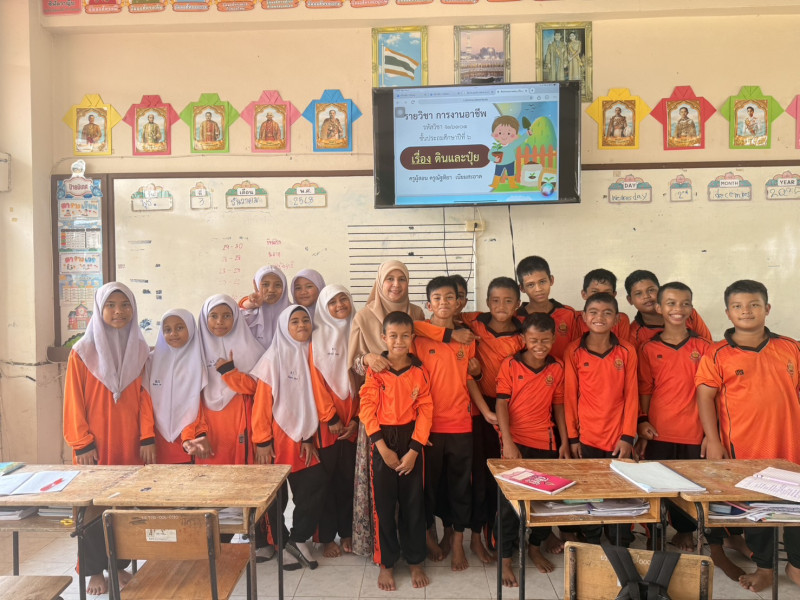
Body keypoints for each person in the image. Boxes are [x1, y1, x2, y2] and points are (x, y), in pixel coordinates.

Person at [696, 280, 800, 593]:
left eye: (754, 304)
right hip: (746, 449)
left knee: (795, 504)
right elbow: (705, 397)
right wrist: (713, 440)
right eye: (738, 306)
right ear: (728, 313)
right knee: (758, 511)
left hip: (790, 444)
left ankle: (795, 565)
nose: (746, 311)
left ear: (767, 308)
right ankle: (765, 568)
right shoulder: (717, 354)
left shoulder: (791, 347)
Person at [63, 282, 155, 596]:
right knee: (92, 507)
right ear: (99, 309)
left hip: (129, 442)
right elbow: (73, 401)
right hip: (95, 445)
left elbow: (145, 397)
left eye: (125, 305)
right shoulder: (82, 352)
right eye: (111, 305)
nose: (119, 312)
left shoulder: (140, 350)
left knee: (124, 506)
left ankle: (118, 564)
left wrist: (146, 437)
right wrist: (82, 442)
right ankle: (94, 570)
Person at [415, 276, 494, 572]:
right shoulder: (419, 337)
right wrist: (448, 335)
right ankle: (435, 536)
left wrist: (485, 412)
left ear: (459, 302)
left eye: (450, 297)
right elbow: (411, 326)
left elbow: (469, 380)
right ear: (428, 304)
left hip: (461, 425)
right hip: (429, 428)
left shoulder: (467, 338)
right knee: (430, 488)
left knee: (461, 487)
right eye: (437, 298)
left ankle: (459, 543)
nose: (444, 303)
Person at [348, 260, 426, 557]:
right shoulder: (364, 316)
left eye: (401, 278)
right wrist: (367, 358)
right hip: (377, 420)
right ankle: (383, 553)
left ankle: (415, 548)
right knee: (381, 494)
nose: (395, 285)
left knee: (411, 492)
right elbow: (353, 363)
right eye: (389, 279)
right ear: (379, 283)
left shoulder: (417, 314)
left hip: (411, 416)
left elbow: (424, 357)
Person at [359, 311, 433, 591]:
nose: (399, 341)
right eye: (393, 336)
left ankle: (415, 561)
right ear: (384, 338)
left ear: (412, 337)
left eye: (404, 336)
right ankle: (386, 563)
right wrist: (382, 448)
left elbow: (426, 409)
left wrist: (414, 450)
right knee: (384, 506)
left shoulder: (419, 371)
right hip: (382, 440)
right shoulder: (376, 370)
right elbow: (367, 408)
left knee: (414, 504)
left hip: (411, 438)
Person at [636, 283, 710, 552]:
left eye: (684, 303)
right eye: (671, 303)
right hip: (659, 430)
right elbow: (645, 388)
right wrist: (642, 421)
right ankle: (655, 532)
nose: (678, 308)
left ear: (691, 308)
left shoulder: (704, 347)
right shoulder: (647, 348)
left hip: (694, 430)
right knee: (656, 485)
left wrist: (710, 433)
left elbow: (711, 392)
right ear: (659, 308)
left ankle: (684, 531)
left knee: (689, 486)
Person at [251, 305, 325, 571]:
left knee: (314, 486)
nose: (302, 325)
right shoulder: (273, 358)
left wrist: (308, 435)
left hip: (305, 436)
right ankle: (281, 544)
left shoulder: (312, 352)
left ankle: (298, 538)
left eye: (306, 320)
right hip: (276, 439)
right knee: (276, 498)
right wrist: (262, 441)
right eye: (295, 321)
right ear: (284, 327)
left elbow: (312, 400)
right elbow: (261, 404)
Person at [496, 313, 568, 584]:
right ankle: (505, 561)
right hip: (515, 443)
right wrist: (508, 441)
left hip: (545, 443)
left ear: (553, 339)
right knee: (508, 506)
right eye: (534, 340)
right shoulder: (510, 365)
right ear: (524, 339)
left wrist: (564, 441)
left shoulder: (557, 368)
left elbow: (558, 406)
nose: (540, 345)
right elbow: (501, 404)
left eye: (545, 340)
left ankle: (535, 548)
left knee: (544, 502)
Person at [458, 276, 524, 562]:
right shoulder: (473, 323)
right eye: (495, 300)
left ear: (518, 304)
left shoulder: (524, 333)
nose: (501, 306)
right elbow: (440, 320)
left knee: (512, 476)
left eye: (508, 301)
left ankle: (508, 537)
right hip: (482, 410)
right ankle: (478, 536)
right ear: (486, 302)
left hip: (514, 412)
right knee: (482, 476)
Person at [564, 292, 638, 546]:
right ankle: (592, 541)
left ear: (616, 319)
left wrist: (627, 436)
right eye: (593, 312)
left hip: (619, 438)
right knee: (590, 490)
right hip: (587, 437)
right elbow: (570, 397)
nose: (600, 317)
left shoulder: (627, 350)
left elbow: (632, 396)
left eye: (607, 313)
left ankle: (620, 542)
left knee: (620, 492)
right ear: (584, 317)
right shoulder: (573, 351)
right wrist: (573, 438)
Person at [311, 285, 359, 557]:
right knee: (325, 483)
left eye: (344, 299)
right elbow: (316, 383)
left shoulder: (359, 333)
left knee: (348, 481)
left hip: (353, 424)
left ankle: (347, 532)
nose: (340, 305)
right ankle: (327, 537)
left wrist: (357, 419)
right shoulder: (315, 339)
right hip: (327, 426)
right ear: (323, 308)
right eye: (332, 302)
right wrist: (331, 417)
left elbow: (367, 382)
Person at [196, 294, 265, 466]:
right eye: (213, 316)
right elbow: (190, 394)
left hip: (241, 416)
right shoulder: (195, 350)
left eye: (227, 316)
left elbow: (258, 388)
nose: (220, 321)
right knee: (211, 473)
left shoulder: (251, 348)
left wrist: (230, 373)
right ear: (204, 318)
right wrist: (198, 431)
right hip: (206, 422)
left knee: (241, 471)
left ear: (236, 317)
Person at [146, 309, 212, 464]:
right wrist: (146, 438)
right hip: (156, 440)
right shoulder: (151, 361)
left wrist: (188, 436)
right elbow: (145, 402)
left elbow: (198, 407)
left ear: (191, 328)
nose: (173, 333)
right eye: (167, 329)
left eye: (180, 327)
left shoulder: (199, 363)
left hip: (188, 440)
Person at [625, 270, 712, 348]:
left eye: (651, 290)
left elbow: (709, 347)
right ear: (630, 300)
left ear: (661, 291)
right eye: (638, 293)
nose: (646, 296)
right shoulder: (634, 335)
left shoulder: (687, 313)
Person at [515, 255, 579, 360]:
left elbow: (577, 350)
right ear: (522, 288)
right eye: (531, 285)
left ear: (551, 280)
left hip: (565, 370)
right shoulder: (516, 319)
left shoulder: (568, 314)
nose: (538, 289)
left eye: (542, 281)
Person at [240, 266, 290, 349]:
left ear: (284, 287)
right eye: (265, 284)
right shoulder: (248, 315)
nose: (271, 290)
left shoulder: (295, 313)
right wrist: (251, 303)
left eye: (278, 285)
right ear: (257, 285)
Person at [576, 269, 631, 341]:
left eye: (607, 293)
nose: (601, 297)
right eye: (595, 292)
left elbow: (623, 346)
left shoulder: (620, 319)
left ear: (614, 295)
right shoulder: (574, 319)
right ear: (584, 294)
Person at [489, 115, 529, 190]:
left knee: (511, 173)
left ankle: (512, 184)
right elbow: (489, 155)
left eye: (509, 133)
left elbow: (520, 141)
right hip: (500, 163)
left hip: (510, 162)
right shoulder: (496, 147)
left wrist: (527, 134)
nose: (504, 136)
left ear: (515, 136)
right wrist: (494, 159)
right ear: (494, 134)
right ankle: (495, 184)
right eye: (500, 133)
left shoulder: (512, 145)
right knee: (497, 173)